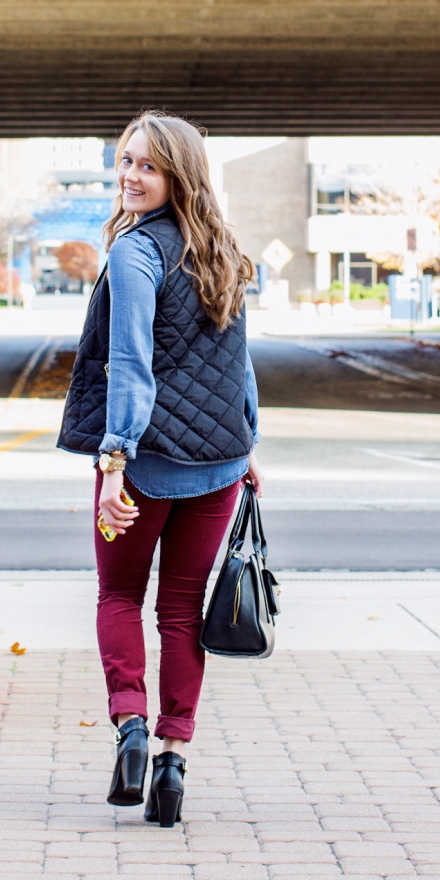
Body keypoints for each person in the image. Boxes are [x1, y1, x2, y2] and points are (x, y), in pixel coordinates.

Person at [58, 111, 264, 827]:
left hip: (144, 466)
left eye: (146, 165)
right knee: (180, 612)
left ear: (180, 173)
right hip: (219, 464)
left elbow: (130, 363)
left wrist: (114, 459)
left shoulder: (135, 253)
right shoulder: (224, 251)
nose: (129, 176)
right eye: (124, 161)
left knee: (119, 599)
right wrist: (250, 445)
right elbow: (239, 364)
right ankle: (174, 763)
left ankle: (133, 729)